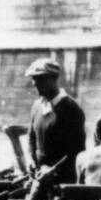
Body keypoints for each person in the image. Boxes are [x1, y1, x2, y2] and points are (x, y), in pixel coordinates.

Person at [25, 57, 85, 185]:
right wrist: (30, 159)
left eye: (40, 79)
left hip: (63, 183)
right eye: (33, 79)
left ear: (53, 79)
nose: (35, 83)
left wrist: (53, 170)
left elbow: (77, 150)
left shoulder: (71, 108)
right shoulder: (37, 106)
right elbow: (31, 138)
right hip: (39, 178)